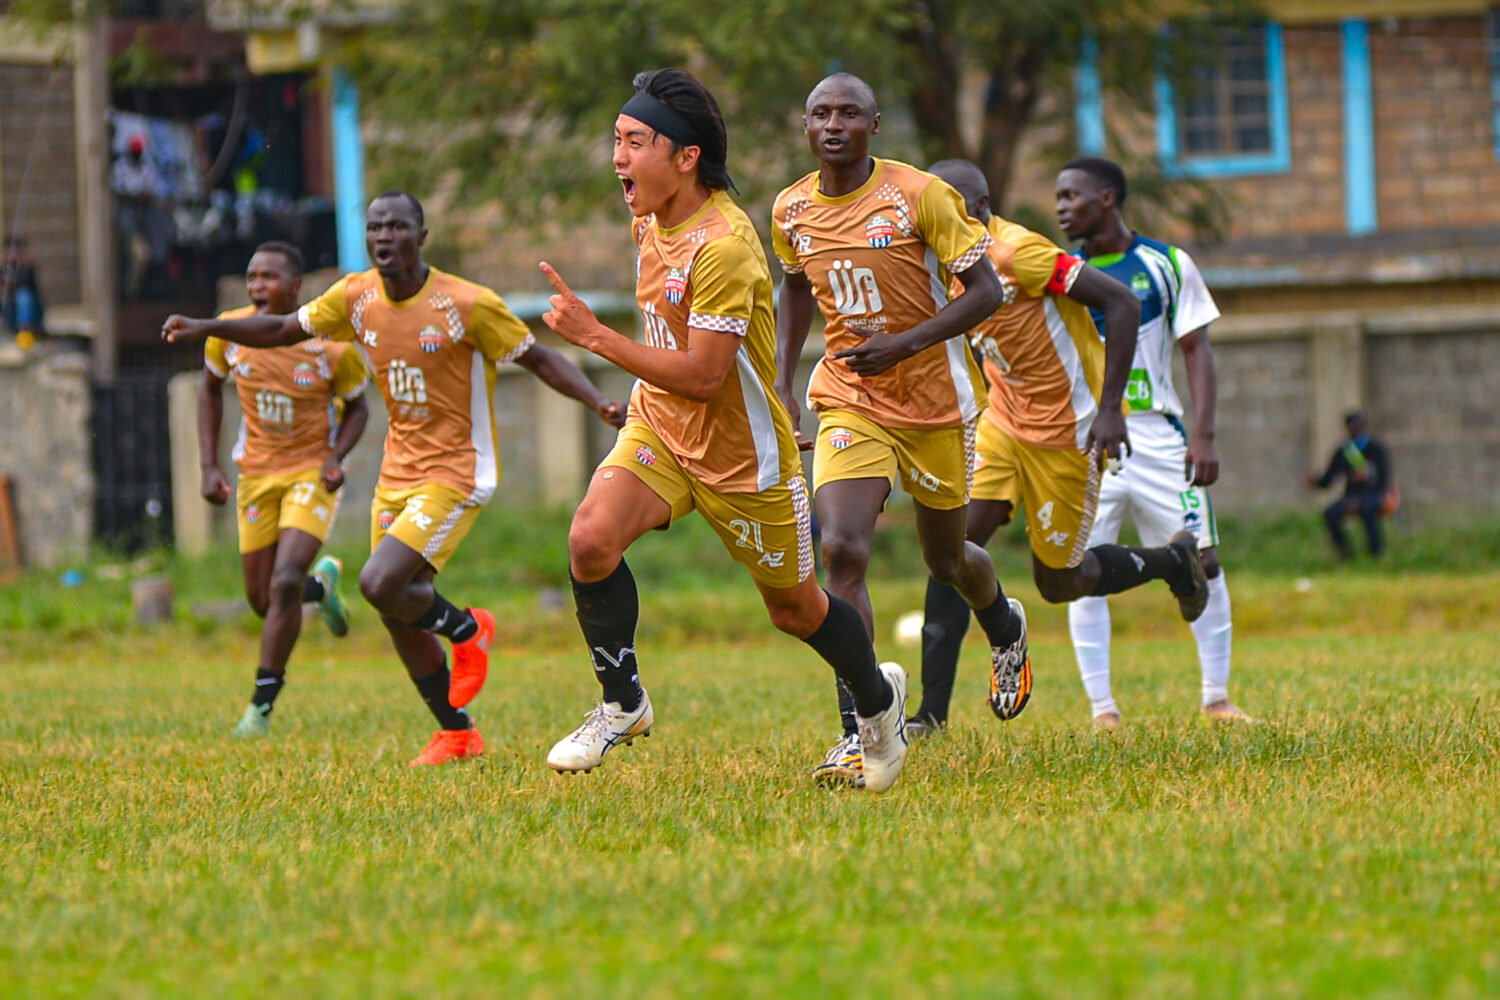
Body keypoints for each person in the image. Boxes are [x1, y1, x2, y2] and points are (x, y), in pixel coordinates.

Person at [537, 67, 909, 793]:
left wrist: (596, 337)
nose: (617, 158)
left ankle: (878, 700)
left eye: (633, 142)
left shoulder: (727, 248)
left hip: (745, 459)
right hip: (661, 428)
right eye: (615, 140)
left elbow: (707, 375)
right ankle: (622, 704)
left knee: (795, 609)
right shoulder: (648, 215)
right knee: (589, 539)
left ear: (686, 158)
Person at [164, 191, 625, 766]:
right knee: (394, 605)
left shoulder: (466, 303)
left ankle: (468, 631)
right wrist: (206, 326)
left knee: (380, 583)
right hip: (397, 470)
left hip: (457, 470)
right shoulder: (354, 297)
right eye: (374, 227)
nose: (384, 237)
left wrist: (598, 401)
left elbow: (539, 358)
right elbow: (283, 328)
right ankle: (457, 733)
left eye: (397, 227)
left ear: (421, 236)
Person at [771, 75, 1027, 785]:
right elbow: (794, 289)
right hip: (849, 394)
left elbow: (987, 293)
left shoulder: (921, 196)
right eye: (820, 112)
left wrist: (906, 343)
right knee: (842, 550)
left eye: (848, 112)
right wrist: (783, 380)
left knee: (947, 562)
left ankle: (1004, 623)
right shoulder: (790, 208)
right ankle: (863, 728)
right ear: (805, 124)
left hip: (938, 403)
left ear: (874, 124)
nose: (833, 124)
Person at [909, 158, 1211, 735]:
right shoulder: (939, 264)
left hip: (1066, 431)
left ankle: (1173, 562)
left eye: (943, 210)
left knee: (1058, 584)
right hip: (1002, 422)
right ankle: (931, 714)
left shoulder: (1020, 254)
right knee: (950, 551)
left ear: (975, 208)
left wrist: (1107, 411)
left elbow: (1121, 303)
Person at [1054, 156, 1249, 728]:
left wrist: (1204, 435)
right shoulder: (1061, 271)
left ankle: (1216, 698)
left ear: (1108, 197)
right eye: (1058, 198)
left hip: (1158, 436)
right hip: (1088, 443)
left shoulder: (1166, 264)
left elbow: (1196, 350)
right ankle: (1103, 711)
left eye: (1072, 196)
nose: (1062, 208)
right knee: (1079, 567)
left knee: (1204, 559)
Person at [199, 241, 369, 736]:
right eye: (251, 277)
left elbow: (358, 408)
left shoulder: (330, 344)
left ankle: (259, 709)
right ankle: (323, 588)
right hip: (255, 478)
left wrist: (336, 457)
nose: (257, 287)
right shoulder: (228, 334)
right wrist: (209, 465)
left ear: (295, 287)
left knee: (282, 581)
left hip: (309, 476)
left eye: (268, 278)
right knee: (263, 600)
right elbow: (208, 390)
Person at [1308, 410, 1395, 559]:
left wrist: (1375, 490)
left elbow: (1384, 477)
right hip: (1351, 496)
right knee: (1330, 513)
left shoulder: (1376, 448)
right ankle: (1345, 553)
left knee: (1368, 510)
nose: (1355, 428)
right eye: (1352, 425)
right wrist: (1316, 482)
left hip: (1374, 494)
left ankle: (1376, 554)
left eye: (1358, 425)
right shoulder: (1343, 451)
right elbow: (1327, 480)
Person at [1, 236, 45, 344]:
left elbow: (26, 284)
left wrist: (12, 279)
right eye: (10, 251)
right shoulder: (4, 270)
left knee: (23, 295)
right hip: (11, 314)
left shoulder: (28, 269)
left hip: (31, 316)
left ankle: (25, 330)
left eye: (16, 251)